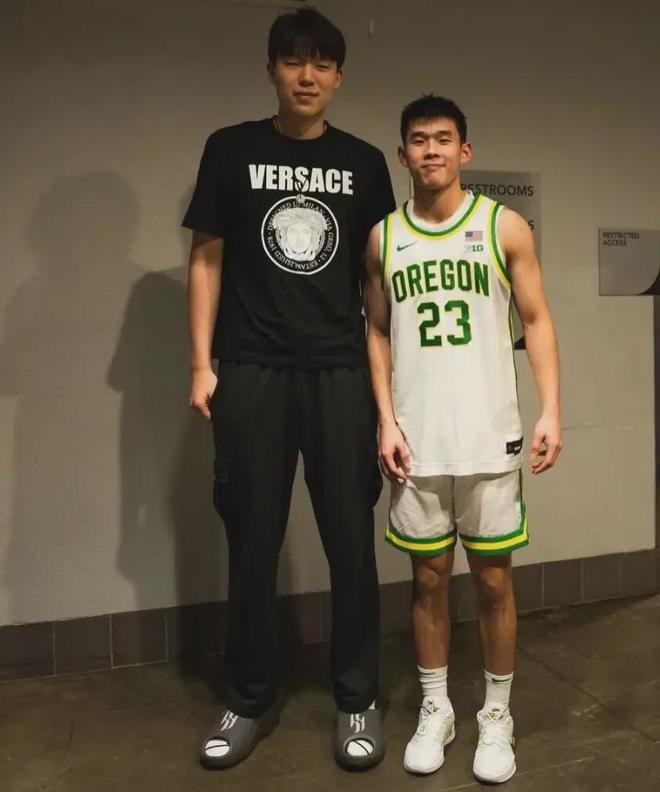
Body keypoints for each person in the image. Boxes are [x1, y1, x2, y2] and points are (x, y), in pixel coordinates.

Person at [182, 8, 395, 771]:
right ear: (271, 69)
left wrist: (388, 386)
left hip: (340, 372)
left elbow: (376, 277)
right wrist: (202, 363)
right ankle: (246, 699)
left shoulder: (365, 162)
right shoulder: (230, 149)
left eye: (322, 64)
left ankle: (358, 698)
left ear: (339, 76)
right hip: (251, 367)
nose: (308, 76)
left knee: (351, 541)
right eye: (294, 61)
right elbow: (206, 258)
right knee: (252, 540)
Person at [364, 95, 562, 784]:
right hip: (417, 442)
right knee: (426, 579)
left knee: (493, 580)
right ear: (403, 154)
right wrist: (386, 418)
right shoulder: (383, 238)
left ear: (465, 151)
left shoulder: (502, 226)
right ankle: (436, 708)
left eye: (444, 138)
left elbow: (536, 320)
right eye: (419, 140)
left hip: (489, 437)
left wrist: (551, 409)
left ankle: (496, 716)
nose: (432, 150)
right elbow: (376, 330)